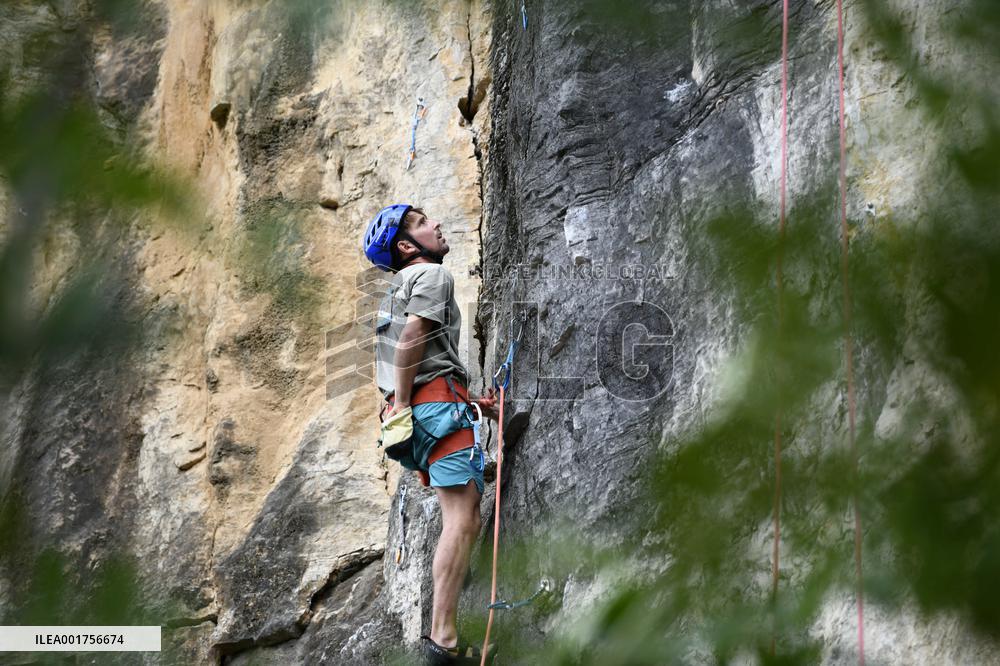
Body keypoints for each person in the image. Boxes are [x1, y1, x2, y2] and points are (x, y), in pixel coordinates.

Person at [363, 204, 499, 665]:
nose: (436, 225)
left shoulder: (392, 294)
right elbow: (414, 340)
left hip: (417, 420)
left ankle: (443, 637)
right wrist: (407, 401)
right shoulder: (431, 277)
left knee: (457, 515)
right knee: (462, 519)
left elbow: (422, 361)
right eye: (423, 223)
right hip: (429, 411)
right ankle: (441, 640)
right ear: (406, 246)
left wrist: (473, 403)